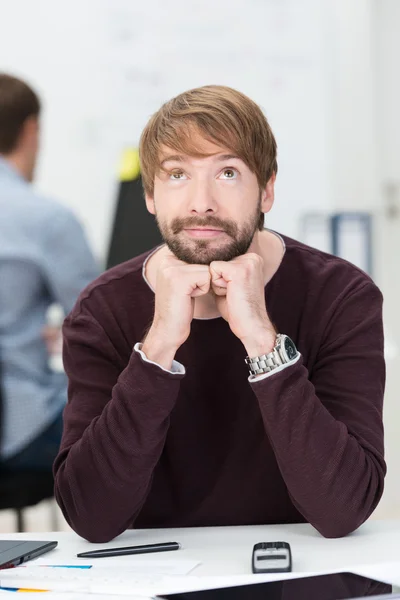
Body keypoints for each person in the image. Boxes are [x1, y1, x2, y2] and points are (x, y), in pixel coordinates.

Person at [54, 85, 386, 543]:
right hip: (158, 577)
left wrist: (264, 344)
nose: (201, 202)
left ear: (266, 190)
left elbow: (344, 509)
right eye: (177, 175)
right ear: (150, 194)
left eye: (228, 172)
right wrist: (157, 351)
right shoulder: (101, 309)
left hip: (302, 572)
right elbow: (91, 518)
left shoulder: (341, 296)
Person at [0, 73, 99, 470]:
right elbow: (101, 324)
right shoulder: (46, 218)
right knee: (129, 415)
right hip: (16, 437)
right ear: (31, 129)